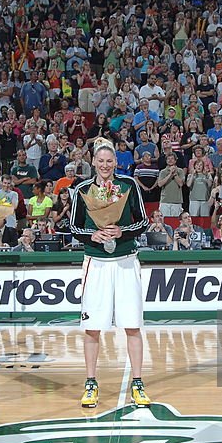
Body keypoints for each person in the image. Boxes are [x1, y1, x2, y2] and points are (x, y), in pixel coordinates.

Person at [70, 138, 149, 408]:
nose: (105, 165)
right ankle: (91, 383)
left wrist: (122, 231)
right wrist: (93, 234)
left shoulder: (129, 186)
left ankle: (137, 383)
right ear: (93, 162)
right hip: (97, 262)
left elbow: (143, 221)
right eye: (100, 161)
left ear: (116, 162)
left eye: (109, 161)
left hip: (126, 260)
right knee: (92, 328)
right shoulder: (82, 189)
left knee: (132, 325)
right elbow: (73, 227)